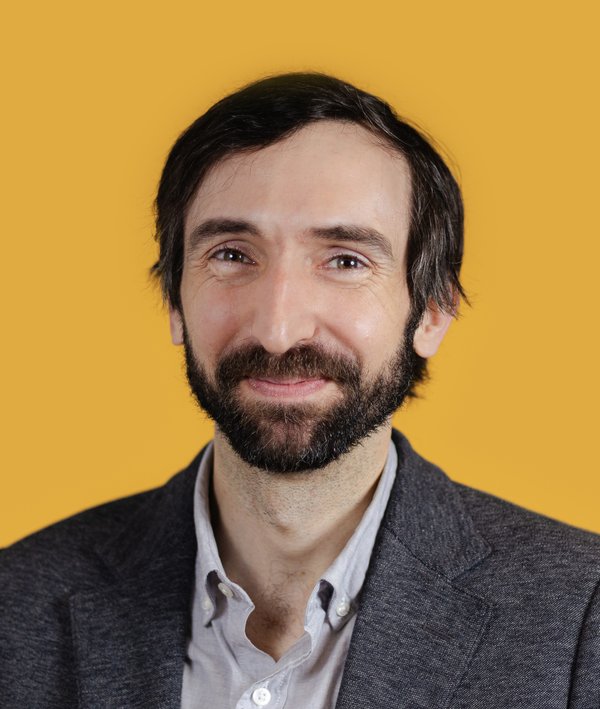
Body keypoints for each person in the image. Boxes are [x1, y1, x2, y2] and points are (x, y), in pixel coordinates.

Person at [1, 73, 599, 709]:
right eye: (232, 254)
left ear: (431, 312)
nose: (279, 329)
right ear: (175, 300)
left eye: (345, 260)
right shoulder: (17, 604)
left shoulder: (581, 617)